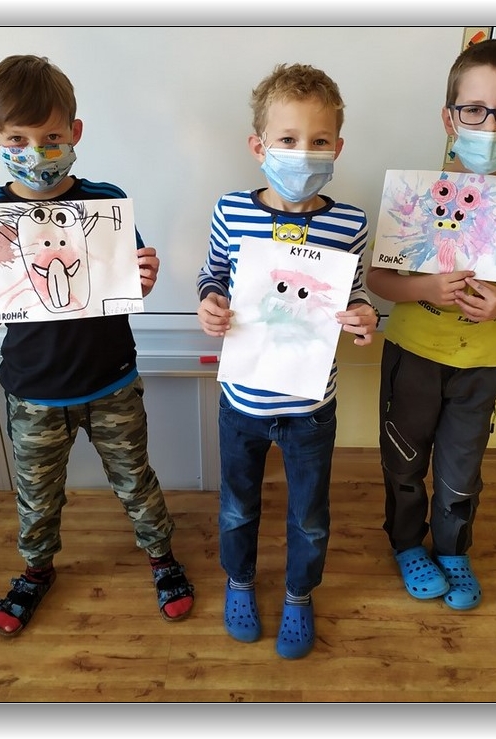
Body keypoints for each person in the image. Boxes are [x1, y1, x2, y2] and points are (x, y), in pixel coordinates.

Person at [0, 55, 194, 637]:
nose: (37, 151)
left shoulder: (105, 203)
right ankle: (36, 570)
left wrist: (144, 280)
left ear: (75, 132)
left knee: (135, 480)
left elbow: (125, 291)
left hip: (111, 382)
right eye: (18, 139)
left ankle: (161, 557)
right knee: (36, 494)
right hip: (34, 391)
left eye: (51, 137)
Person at [365, 39, 496, 611]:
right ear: (450, 118)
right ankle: (407, 544)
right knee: (404, 460)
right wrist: (425, 288)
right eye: (475, 109)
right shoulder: (414, 195)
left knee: (461, 469)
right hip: (412, 354)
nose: (492, 125)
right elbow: (379, 279)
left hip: (480, 363)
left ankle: (453, 550)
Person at [196, 63, 379, 659]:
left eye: (319, 140)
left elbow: (354, 292)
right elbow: (213, 274)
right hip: (242, 401)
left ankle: (300, 592)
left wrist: (364, 315)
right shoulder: (231, 211)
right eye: (288, 139)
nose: (303, 153)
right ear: (259, 147)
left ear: (338, 147)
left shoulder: (350, 222)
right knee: (236, 506)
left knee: (309, 515)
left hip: (311, 405)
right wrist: (209, 302)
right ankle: (240, 581)